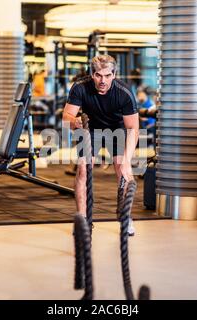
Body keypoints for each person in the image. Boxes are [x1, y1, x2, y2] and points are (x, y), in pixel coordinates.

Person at [62, 55, 139, 236]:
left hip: (117, 129)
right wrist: (76, 122)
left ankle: (126, 217)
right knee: (82, 170)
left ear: (114, 74)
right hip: (90, 129)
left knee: (124, 171)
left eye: (107, 75)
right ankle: (82, 220)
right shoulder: (80, 87)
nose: (102, 80)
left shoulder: (124, 93)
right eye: (98, 75)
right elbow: (66, 118)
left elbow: (133, 128)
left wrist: (127, 160)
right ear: (92, 74)